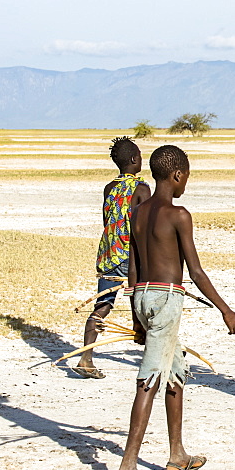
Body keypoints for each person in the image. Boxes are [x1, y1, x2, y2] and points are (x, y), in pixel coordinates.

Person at [113, 145, 235, 470]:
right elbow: (196, 272)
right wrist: (225, 309)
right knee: (150, 378)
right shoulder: (179, 214)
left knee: (174, 370)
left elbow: (133, 265)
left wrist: (136, 316)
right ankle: (128, 466)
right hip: (167, 298)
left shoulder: (138, 212)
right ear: (178, 175)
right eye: (187, 176)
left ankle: (177, 455)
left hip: (142, 294)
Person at [75, 137, 150, 379]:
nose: (141, 158)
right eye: (139, 155)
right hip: (130, 253)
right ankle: (148, 344)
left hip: (108, 253)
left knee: (103, 304)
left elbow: (107, 221)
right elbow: (146, 226)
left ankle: (86, 357)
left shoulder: (109, 188)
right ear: (133, 159)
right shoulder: (142, 189)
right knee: (140, 297)